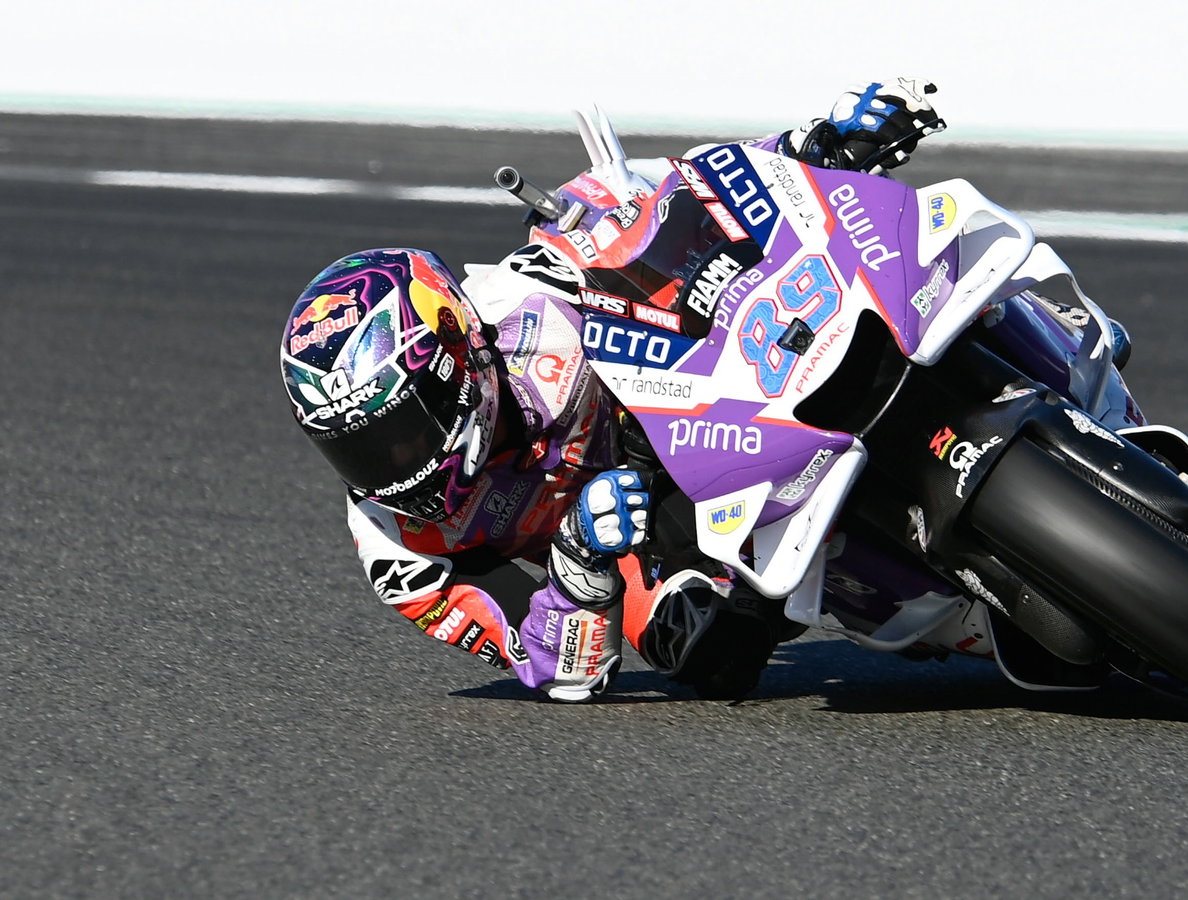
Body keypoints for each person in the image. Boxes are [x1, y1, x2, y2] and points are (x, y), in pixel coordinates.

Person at [280, 80, 948, 702]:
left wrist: (815, 145)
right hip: (628, 533)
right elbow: (554, 670)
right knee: (708, 650)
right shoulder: (401, 552)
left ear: (455, 361)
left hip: (703, 397)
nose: (391, 472)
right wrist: (577, 558)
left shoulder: (529, 298)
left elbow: (679, 201)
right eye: (358, 451)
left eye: (399, 437)